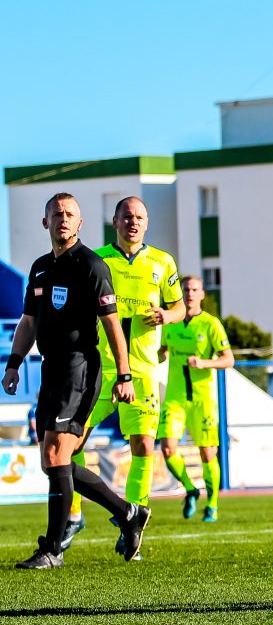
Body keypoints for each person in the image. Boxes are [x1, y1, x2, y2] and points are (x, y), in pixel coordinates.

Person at [2, 193, 150, 568]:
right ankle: (128, 513)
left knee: (57, 455)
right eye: (57, 214)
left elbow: (112, 324)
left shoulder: (91, 265)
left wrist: (125, 374)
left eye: (70, 214)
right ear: (46, 222)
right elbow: (29, 322)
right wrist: (14, 363)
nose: (63, 219)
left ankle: (53, 549)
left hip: (80, 367)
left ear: (80, 223)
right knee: (52, 462)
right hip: (50, 367)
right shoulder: (39, 268)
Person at [69, 196, 183, 557]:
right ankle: (74, 513)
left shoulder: (163, 262)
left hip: (144, 370)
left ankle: (132, 523)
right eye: (127, 216)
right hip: (100, 368)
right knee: (71, 444)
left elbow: (180, 307)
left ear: (146, 223)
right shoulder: (97, 259)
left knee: (143, 446)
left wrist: (166, 316)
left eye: (139, 217)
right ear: (114, 221)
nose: (133, 222)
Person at [159, 276, 234, 522]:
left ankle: (212, 505)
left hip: (203, 398)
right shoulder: (171, 323)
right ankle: (190, 489)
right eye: (186, 289)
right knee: (167, 448)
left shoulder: (210, 324)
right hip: (175, 396)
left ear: (202, 294)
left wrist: (204, 363)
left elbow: (228, 359)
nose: (190, 293)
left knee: (207, 453)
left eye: (194, 289)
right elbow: (162, 352)